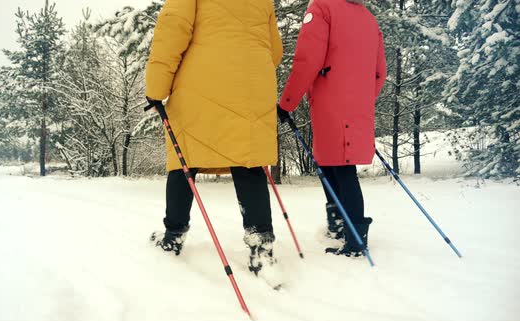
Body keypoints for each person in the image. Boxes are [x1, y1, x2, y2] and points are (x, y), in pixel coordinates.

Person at [144, 0, 283, 276]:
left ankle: (173, 235)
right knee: (249, 161)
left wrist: (156, 88)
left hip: (201, 84)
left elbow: (173, 29)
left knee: (185, 159)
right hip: (253, 86)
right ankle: (261, 248)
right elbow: (274, 51)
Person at [277, 0, 387, 256]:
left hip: (330, 102)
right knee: (330, 162)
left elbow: (308, 60)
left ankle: (355, 238)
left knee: (341, 166)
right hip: (356, 104)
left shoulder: (322, 8)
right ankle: (339, 227)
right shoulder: (368, 17)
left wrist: (287, 103)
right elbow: (380, 72)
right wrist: (361, 99)